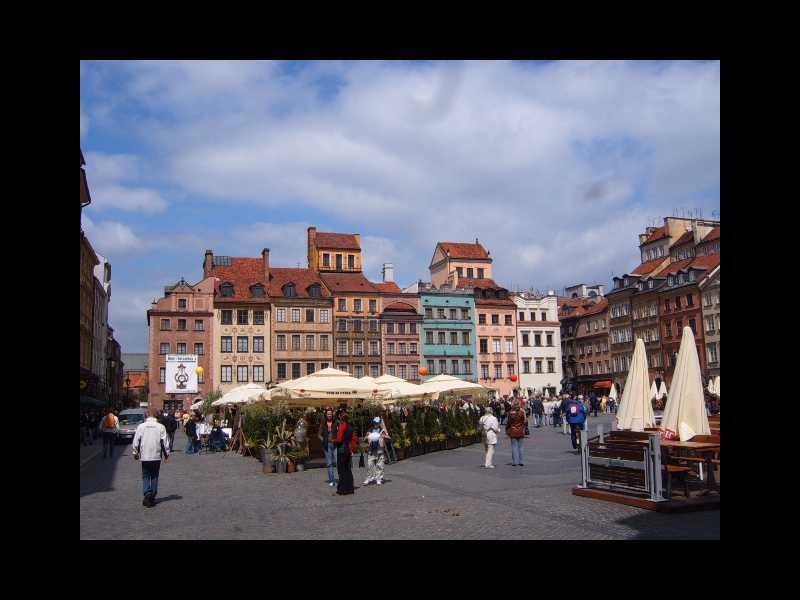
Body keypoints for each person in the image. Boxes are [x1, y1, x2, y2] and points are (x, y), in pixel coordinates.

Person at [132, 409, 170, 508]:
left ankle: (147, 492)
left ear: (147, 416)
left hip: (145, 456)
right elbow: (165, 442)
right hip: (156, 456)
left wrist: (135, 452)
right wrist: (167, 455)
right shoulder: (161, 427)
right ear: (156, 416)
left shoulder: (141, 426)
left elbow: (136, 441)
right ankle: (152, 494)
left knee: (145, 475)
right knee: (154, 476)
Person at [334, 411, 358, 495]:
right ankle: (350, 488)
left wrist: (333, 440)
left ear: (341, 418)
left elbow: (339, 439)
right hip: (348, 449)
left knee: (341, 470)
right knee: (348, 469)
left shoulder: (342, 425)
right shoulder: (350, 427)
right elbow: (354, 439)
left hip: (341, 449)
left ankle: (342, 490)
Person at [363, 416, 391, 486]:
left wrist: (384, 436)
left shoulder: (382, 430)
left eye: (377, 423)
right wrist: (367, 437)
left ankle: (379, 479)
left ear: (379, 423)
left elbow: (389, 438)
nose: (376, 424)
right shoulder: (370, 430)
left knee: (380, 465)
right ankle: (369, 478)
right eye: (375, 423)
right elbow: (365, 439)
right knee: (370, 465)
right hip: (371, 450)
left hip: (379, 450)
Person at [318, 408, 339, 487]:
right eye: (328, 414)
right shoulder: (323, 423)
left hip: (335, 445)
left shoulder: (336, 422)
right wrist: (323, 440)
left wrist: (337, 440)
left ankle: (341, 478)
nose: (329, 415)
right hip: (327, 445)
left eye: (330, 414)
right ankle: (331, 480)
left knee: (337, 462)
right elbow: (319, 434)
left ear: (332, 414)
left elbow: (340, 432)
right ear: (326, 415)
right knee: (329, 463)